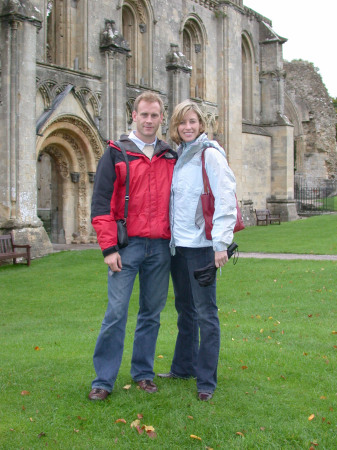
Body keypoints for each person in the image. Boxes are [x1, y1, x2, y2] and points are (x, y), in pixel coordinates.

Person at [88, 92, 177, 401]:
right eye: (144, 115)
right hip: (126, 247)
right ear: (134, 116)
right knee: (115, 313)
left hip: (161, 247)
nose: (149, 120)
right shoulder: (116, 153)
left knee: (151, 313)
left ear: (162, 118)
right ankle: (103, 379)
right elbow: (100, 205)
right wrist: (108, 248)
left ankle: (143, 373)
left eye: (155, 115)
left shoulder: (170, 156)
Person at [157, 100, 237, 401]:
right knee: (185, 311)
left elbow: (226, 198)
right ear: (176, 128)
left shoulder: (210, 155)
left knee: (206, 314)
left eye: (192, 121)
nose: (187, 127)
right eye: (181, 123)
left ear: (201, 124)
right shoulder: (179, 157)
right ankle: (183, 367)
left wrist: (220, 244)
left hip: (204, 248)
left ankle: (206, 382)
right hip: (179, 248)